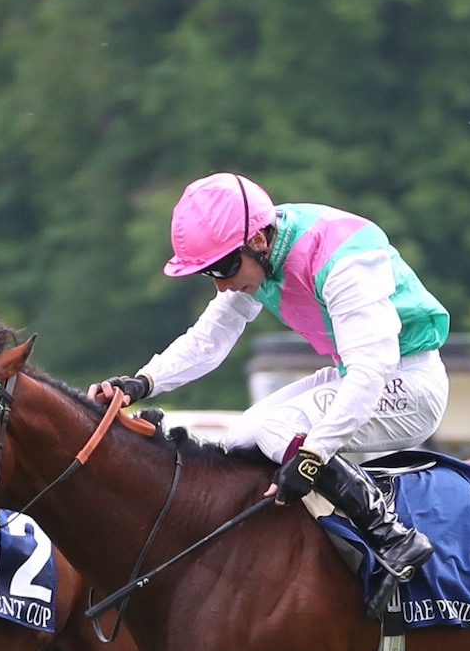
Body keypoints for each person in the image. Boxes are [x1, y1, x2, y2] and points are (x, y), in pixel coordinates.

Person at [88, 171, 448, 591]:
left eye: (223, 267)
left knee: (279, 430)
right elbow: (210, 338)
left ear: (258, 241)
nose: (221, 283)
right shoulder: (257, 247)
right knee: (240, 437)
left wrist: (312, 455)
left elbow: (372, 369)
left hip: (406, 383)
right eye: (210, 273)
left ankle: (391, 536)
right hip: (362, 375)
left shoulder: (340, 258)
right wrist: (143, 383)